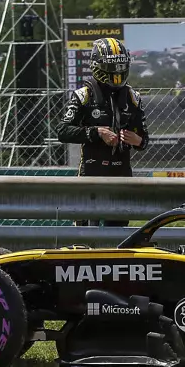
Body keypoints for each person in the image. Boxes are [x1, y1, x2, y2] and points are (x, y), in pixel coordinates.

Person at [56, 37, 148, 227]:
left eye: (120, 67)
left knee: (118, 232)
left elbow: (145, 140)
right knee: (84, 234)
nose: (117, 73)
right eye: (112, 67)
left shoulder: (133, 97)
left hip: (121, 174)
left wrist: (137, 140)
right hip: (91, 172)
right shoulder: (84, 95)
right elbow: (62, 131)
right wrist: (96, 132)